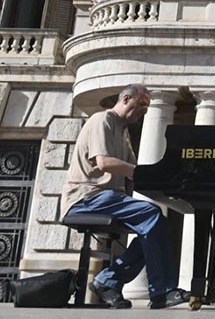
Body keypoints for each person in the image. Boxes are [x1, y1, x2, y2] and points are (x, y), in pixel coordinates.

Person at [61, 84, 186, 310]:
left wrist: (169, 184)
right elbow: (105, 163)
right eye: (141, 105)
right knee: (151, 214)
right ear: (126, 98)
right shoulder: (102, 120)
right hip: (87, 196)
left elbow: (133, 170)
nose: (143, 111)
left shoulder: (122, 130)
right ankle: (162, 292)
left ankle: (107, 281)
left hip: (108, 198)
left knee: (158, 225)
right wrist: (141, 174)